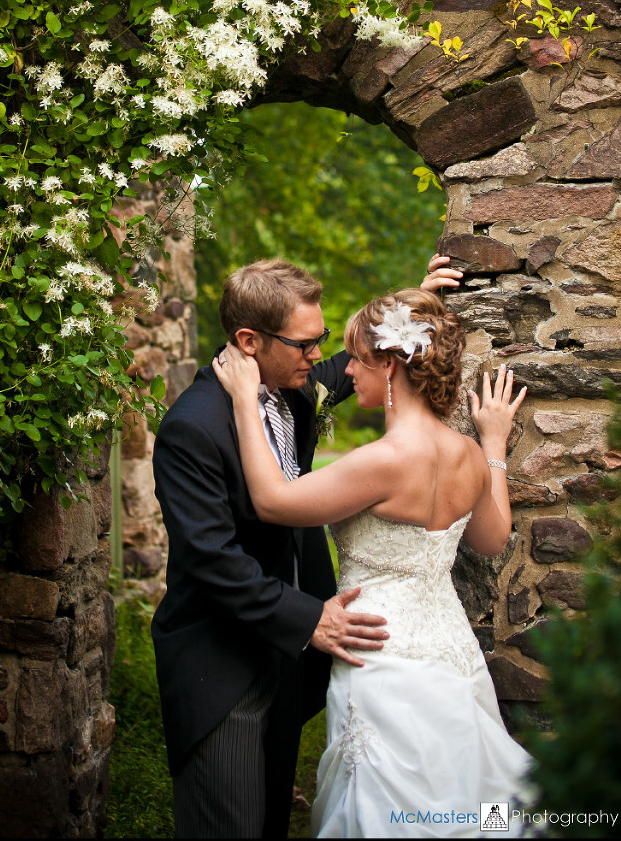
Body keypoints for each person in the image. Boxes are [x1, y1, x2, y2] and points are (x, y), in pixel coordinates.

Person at [151, 253, 463, 840]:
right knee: (230, 821)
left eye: (319, 339)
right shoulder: (192, 427)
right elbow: (211, 558)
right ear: (249, 340)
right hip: (222, 663)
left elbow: (361, 369)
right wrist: (308, 617)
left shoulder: (288, 389)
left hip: (284, 651)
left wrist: (412, 309)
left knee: (268, 817)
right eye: (304, 344)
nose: (317, 356)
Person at [214, 288, 531, 840]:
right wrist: (494, 444)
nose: (347, 372)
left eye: (359, 359)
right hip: (452, 656)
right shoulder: (467, 455)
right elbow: (491, 537)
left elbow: (271, 501)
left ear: (389, 365)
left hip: (380, 659)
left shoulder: (381, 463)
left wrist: (244, 399)